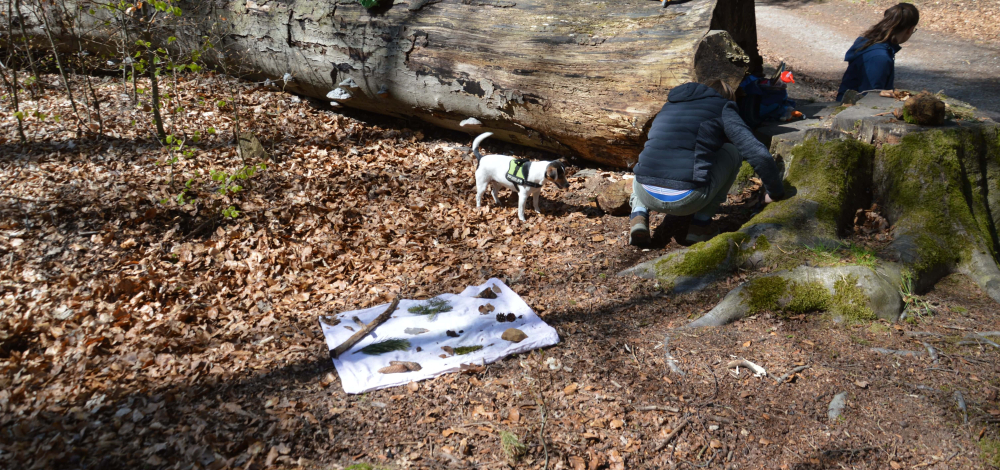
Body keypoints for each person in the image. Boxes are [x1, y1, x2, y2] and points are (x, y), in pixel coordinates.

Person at [629, 79, 786, 246]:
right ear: (728, 98)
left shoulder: (671, 104)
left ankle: (638, 216)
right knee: (732, 151)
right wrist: (775, 192)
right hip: (686, 200)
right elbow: (758, 153)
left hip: (644, 193)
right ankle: (701, 226)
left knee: (651, 156)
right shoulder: (723, 107)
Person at [836, 3, 919, 101]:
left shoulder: (868, 41)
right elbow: (871, 98)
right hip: (851, 110)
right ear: (910, 29)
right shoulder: (879, 58)